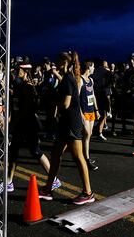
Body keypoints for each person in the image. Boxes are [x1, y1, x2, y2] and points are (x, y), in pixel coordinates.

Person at [39, 51, 94, 205]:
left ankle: (88, 193)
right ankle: (48, 189)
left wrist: (52, 99)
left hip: (71, 122)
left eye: (58, 59)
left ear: (65, 62)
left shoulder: (68, 79)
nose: (55, 61)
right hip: (65, 122)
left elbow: (66, 104)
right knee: (55, 154)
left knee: (78, 157)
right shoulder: (67, 78)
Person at [6, 60, 61, 193]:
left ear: (24, 71)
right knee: (15, 151)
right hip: (23, 122)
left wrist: (14, 122)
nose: (15, 71)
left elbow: (27, 108)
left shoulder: (28, 86)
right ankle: (9, 181)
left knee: (35, 150)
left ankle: (53, 179)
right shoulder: (20, 85)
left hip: (27, 123)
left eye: (17, 69)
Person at [80, 60, 100, 170]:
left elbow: (93, 96)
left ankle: (85, 155)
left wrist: (96, 110)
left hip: (91, 110)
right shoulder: (81, 80)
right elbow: (77, 98)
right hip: (84, 112)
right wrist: (80, 113)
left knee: (89, 134)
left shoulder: (91, 80)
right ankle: (86, 159)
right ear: (89, 67)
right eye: (93, 67)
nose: (94, 69)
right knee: (86, 134)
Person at [92, 60, 112, 140]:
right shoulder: (107, 72)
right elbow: (111, 83)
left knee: (94, 114)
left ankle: (95, 130)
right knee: (103, 115)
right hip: (103, 95)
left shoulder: (95, 71)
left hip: (95, 94)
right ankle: (99, 132)